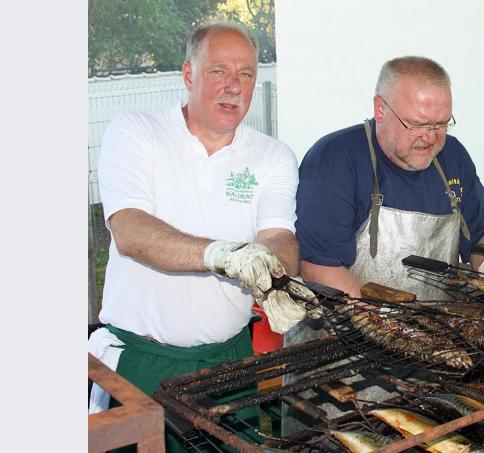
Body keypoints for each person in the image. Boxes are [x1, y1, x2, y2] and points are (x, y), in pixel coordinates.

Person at [88, 22, 315, 451]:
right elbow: (130, 231)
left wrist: (276, 272)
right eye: (218, 71)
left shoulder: (272, 156)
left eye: (246, 74)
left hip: (228, 360)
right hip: (140, 361)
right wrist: (223, 255)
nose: (233, 86)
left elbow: (278, 235)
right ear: (189, 74)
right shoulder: (136, 132)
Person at [285, 56, 484, 434]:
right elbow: (319, 266)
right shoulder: (336, 159)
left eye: (441, 124)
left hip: (430, 361)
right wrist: (395, 329)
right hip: (339, 364)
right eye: (418, 124)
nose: (431, 137)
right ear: (380, 109)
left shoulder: (452, 158)